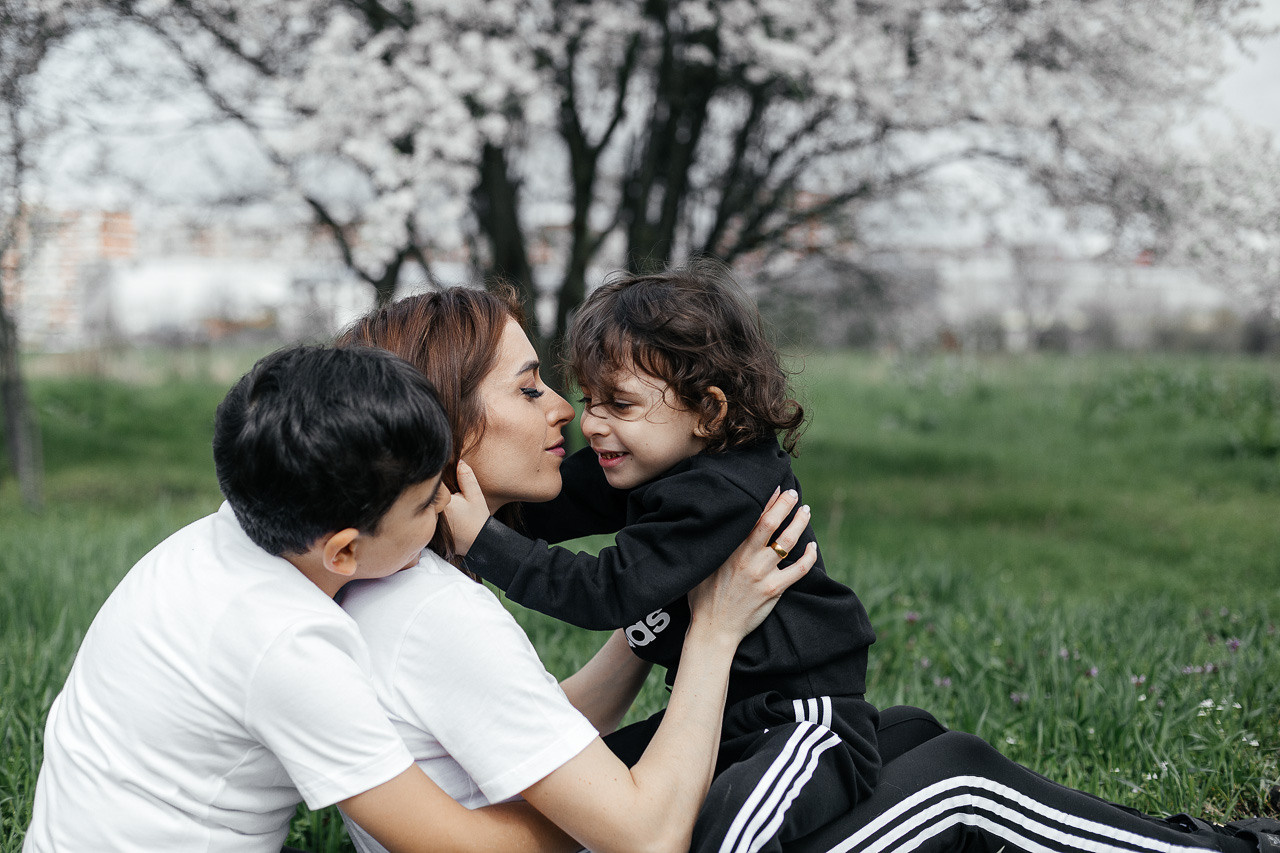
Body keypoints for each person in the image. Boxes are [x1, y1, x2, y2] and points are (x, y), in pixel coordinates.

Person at [350, 282, 1280, 853]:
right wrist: (493, 536)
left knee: (914, 743)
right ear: (449, 425)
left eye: (611, 401)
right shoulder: (442, 608)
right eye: (540, 389)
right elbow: (596, 564)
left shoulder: (710, 486)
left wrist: (476, 531)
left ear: (707, 410)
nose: (576, 416)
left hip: (790, 715)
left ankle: (1191, 845)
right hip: (742, 729)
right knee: (946, 773)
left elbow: (596, 600)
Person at [23, 344, 809, 853]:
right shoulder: (290, 643)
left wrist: (645, 626)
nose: (450, 511)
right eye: (430, 501)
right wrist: (712, 630)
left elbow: (510, 726)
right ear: (343, 548)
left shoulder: (224, 540)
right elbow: (461, 844)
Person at [442, 264, 880, 853]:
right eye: (589, 399)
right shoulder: (651, 456)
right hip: (726, 720)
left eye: (619, 404)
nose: (591, 423)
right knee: (577, 810)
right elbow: (553, 506)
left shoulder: (723, 492)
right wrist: (451, 520)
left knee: (734, 838)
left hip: (805, 722)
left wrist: (485, 545)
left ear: (709, 411)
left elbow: (608, 591)